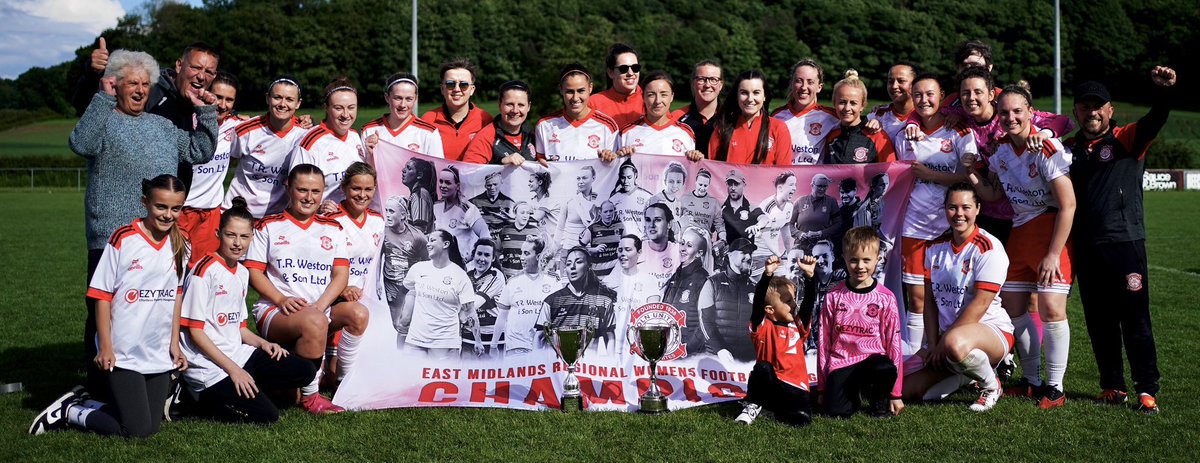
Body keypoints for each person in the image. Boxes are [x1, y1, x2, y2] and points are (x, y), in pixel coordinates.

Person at [70, 50, 217, 399]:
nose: (139, 90)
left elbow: (200, 150)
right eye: (131, 83)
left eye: (145, 84)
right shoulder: (103, 120)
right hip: (110, 235)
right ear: (117, 85)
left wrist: (206, 110)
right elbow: (80, 143)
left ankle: (141, 381)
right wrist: (102, 98)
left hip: (156, 236)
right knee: (103, 312)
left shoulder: (163, 126)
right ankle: (99, 388)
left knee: (150, 310)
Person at [32, 175, 190, 437]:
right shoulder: (123, 238)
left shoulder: (183, 244)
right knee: (137, 430)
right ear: (145, 202)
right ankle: (70, 411)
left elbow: (176, 295)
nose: (168, 214)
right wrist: (105, 346)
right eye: (160, 206)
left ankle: (87, 402)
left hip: (157, 352)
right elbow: (101, 295)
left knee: (150, 427)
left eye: (176, 208)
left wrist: (174, 344)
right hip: (123, 350)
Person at [1066, 67, 1175, 414]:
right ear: (1076, 112)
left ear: (1110, 110)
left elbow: (1156, 119)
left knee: (1135, 319)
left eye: (1098, 106)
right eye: (1085, 106)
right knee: (1099, 321)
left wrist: (1163, 93)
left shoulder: (1126, 140)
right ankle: (1112, 385)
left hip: (1125, 244)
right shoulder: (1068, 150)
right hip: (1086, 247)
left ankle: (1147, 388)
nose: (1092, 112)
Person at [966, 85, 1076, 409]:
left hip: (1050, 229)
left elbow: (1068, 204)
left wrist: (1054, 253)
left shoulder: (1046, 148)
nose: (1010, 117)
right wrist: (971, 172)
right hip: (1019, 231)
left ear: (1030, 112)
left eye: (1017, 111)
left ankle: (1055, 389)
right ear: (997, 116)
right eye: (1004, 112)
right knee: (1013, 308)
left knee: (1052, 310)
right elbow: (993, 196)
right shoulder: (1000, 153)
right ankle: (1032, 381)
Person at [177, 198, 317, 424]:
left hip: (238, 355)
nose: (237, 243)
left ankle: (248, 388)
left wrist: (263, 344)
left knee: (304, 371)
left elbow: (239, 327)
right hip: (209, 367)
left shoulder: (242, 272)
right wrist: (234, 370)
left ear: (252, 237)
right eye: (231, 235)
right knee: (267, 416)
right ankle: (193, 396)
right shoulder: (204, 271)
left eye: (244, 237)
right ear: (218, 234)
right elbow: (196, 332)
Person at [245, 164, 350, 414]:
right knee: (314, 323)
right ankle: (311, 396)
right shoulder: (268, 226)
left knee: (357, 314)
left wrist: (320, 306)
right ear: (288, 188)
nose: (309, 197)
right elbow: (253, 272)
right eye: (302, 190)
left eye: (316, 191)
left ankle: (344, 382)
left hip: (317, 310)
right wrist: (280, 298)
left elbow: (341, 275)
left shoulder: (333, 228)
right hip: (275, 311)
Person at [902, 184, 1013, 413]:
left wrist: (943, 343)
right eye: (952, 207)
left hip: (990, 331)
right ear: (945, 209)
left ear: (978, 209)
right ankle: (964, 375)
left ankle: (991, 386)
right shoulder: (934, 246)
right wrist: (932, 345)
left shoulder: (988, 248)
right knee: (907, 391)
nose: (959, 214)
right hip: (948, 338)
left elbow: (980, 304)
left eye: (966, 207)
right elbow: (930, 302)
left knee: (955, 344)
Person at [894, 73, 976, 359]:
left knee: (951, 295)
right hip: (913, 225)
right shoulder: (905, 133)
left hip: (949, 226)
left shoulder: (959, 132)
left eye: (930, 94)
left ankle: (953, 355)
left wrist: (932, 175)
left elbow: (969, 177)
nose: (924, 100)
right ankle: (916, 359)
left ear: (942, 96)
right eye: (918, 95)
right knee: (916, 299)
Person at [72, 41, 221, 189]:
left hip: (170, 205)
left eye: (209, 72)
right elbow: (87, 112)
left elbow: (198, 151)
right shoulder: (148, 87)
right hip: (131, 202)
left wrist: (208, 112)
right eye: (195, 67)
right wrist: (92, 74)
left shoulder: (198, 105)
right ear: (179, 65)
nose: (202, 76)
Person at [816, 227, 904, 418]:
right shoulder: (833, 296)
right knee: (835, 413)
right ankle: (851, 395)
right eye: (854, 260)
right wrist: (822, 389)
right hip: (842, 362)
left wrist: (895, 394)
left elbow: (894, 345)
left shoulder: (886, 298)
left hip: (872, 362)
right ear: (844, 258)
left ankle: (878, 402)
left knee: (885, 367)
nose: (860, 266)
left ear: (877, 259)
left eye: (866, 260)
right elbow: (823, 342)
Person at [735, 255, 816, 427]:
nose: (793, 305)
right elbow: (757, 306)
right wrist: (767, 276)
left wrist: (810, 278)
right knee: (762, 368)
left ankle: (771, 411)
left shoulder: (798, 325)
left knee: (802, 421)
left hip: (796, 388)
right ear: (770, 310)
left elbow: (808, 305)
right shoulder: (763, 328)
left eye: (793, 299)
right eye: (787, 301)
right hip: (773, 384)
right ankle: (753, 404)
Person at [179, 71, 244, 267]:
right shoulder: (186, 121)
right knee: (173, 272)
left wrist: (302, 120)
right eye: (218, 97)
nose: (223, 105)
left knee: (203, 271)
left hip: (211, 214)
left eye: (229, 100)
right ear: (206, 93)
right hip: (180, 211)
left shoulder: (237, 126)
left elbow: (268, 126)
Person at [324, 163, 381, 384]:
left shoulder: (379, 221)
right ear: (344, 188)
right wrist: (343, 287)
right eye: (356, 188)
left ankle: (349, 378)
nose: (362, 195)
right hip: (338, 298)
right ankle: (343, 376)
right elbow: (317, 267)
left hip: (370, 299)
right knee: (325, 378)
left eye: (368, 189)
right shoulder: (330, 220)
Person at [223, 75, 310, 218]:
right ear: (267, 98)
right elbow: (228, 162)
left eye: (289, 99)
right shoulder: (246, 131)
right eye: (277, 97)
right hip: (239, 213)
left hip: (279, 216)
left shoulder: (305, 134)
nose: (282, 104)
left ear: (298, 103)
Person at [400, 230, 484, 359]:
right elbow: (406, 291)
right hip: (415, 342)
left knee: (441, 380)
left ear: (445, 244)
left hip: (445, 345)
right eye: (428, 241)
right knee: (409, 378)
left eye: (432, 240)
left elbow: (470, 311)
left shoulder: (459, 275)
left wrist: (478, 341)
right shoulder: (418, 269)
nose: (428, 244)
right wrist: (403, 317)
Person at [289, 78, 367, 208]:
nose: (346, 114)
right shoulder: (310, 142)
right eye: (338, 108)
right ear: (326, 108)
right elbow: (295, 192)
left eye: (351, 108)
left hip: (350, 220)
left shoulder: (354, 136)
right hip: (321, 222)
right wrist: (319, 208)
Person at [536, 63, 620, 162]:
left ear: (590, 88)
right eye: (569, 92)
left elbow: (614, 169)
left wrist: (610, 158)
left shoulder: (608, 126)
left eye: (581, 91)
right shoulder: (544, 125)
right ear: (561, 90)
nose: (575, 98)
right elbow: (538, 167)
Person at [493, 237, 561, 358]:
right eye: (521, 253)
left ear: (538, 256)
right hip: (516, 347)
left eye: (526, 253)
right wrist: (494, 345)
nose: (521, 257)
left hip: (543, 348)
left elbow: (559, 317)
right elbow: (502, 316)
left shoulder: (553, 282)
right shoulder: (512, 282)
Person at [542, 247, 618, 354]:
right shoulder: (551, 301)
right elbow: (539, 337)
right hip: (560, 368)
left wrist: (612, 363)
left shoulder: (604, 301)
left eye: (578, 262)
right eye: (568, 264)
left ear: (588, 266)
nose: (572, 267)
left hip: (589, 368)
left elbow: (610, 337)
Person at [710, 70, 792, 165]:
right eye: (744, 93)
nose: (750, 99)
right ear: (737, 96)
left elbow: (784, 172)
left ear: (764, 96)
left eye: (756, 92)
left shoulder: (779, 128)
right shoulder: (722, 127)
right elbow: (712, 169)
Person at [617, 72, 702, 160]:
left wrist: (696, 158)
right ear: (643, 97)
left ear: (672, 96)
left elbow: (690, 169)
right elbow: (613, 168)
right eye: (651, 95)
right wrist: (617, 156)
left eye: (664, 94)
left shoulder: (686, 132)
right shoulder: (627, 133)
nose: (658, 101)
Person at [421, 59, 494, 161]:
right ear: (442, 89)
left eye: (463, 84)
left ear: (472, 90)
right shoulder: (427, 120)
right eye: (450, 84)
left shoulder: (485, 120)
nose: (456, 89)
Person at [602, 234, 663, 352]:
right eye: (620, 250)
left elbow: (652, 318)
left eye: (628, 249)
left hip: (638, 346)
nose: (622, 254)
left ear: (639, 252)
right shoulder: (607, 283)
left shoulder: (650, 281)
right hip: (611, 347)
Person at [772, 59, 839, 165]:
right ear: (792, 84)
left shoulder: (831, 117)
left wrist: (873, 121)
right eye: (799, 81)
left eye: (810, 82)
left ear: (819, 87)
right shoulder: (776, 116)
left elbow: (855, 123)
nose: (804, 87)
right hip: (784, 179)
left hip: (812, 180)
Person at [362, 73, 444, 159]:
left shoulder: (429, 133)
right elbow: (359, 170)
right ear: (387, 98)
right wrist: (370, 155)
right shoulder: (369, 130)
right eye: (398, 98)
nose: (403, 105)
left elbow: (437, 169)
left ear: (416, 99)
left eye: (409, 99)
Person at [822, 70, 896, 165]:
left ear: (862, 105)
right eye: (842, 102)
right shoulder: (831, 137)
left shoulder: (877, 136)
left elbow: (891, 172)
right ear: (834, 103)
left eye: (853, 103)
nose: (847, 108)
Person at [701, 238, 757, 362]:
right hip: (717, 359)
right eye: (743, 252)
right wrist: (719, 349)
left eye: (750, 253)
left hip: (747, 360)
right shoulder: (712, 283)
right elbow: (705, 321)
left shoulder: (755, 287)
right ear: (730, 255)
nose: (748, 256)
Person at [381, 196, 429, 340]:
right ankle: (399, 356)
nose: (388, 214)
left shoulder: (417, 237)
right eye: (386, 210)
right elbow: (377, 257)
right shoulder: (382, 231)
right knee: (395, 325)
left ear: (403, 215)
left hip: (409, 288)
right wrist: (377, 282)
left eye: (392, 211)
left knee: (406, 323)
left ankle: (410, 356)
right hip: (390, 284)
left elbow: (428, 262)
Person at [662, 227, 715, 356]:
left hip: (688, 355)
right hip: (669, 349)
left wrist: (686, 349)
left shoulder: (702, 280)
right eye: (682, 243)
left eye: (689, 245)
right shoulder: (675, 276)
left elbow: (706, 324)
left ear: (699, 253)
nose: (683, 248)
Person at [463, 80, 537, 165]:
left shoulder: (534, 135)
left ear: (529, 107)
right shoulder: (486, 137)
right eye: (509, 104)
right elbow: (469, 172)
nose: (515, 110)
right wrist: (500, 162)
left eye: (521, 105)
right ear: (499, 105)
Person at [746, 172, 797, 273]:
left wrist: (790, 254)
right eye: (791, 185)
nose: (794, 188)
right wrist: (780, 256)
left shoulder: (789, 206)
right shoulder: (767, 207)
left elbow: (786, 235)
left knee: (788, 278)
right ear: (780, 188)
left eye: (795, 185)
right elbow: (766, 237)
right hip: (759, 255)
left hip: (773, 255)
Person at [434, 166, 489, 258]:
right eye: (441, 181)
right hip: (440, 261)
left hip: (461, 263)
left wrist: (473, 256)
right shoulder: (436, 206)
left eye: (448, 183)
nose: (443, 186)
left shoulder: (467, 208)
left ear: (458, 186)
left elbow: (485, 235)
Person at [464, 239, 507, 357]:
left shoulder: (496, 276)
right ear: (474, 255)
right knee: (467, 374)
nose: (482, 259)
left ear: (493, 258)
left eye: (487, 255)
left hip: (491, 336)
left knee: (491, 374)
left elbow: (473, 305)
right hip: (469, 334)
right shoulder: (467, 274)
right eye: (479, 254)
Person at [673, 60, 723, 155]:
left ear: (720, 85)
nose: (707, 85)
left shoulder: (731, 118)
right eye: (701, 79)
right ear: (693, 83)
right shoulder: (676, 118)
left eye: (713, 80)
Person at [588, 43, 644, 129]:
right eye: (623, 69)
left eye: (635, 68)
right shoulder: (593, 103)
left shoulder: (651, 100)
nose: (631, 73)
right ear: (610, 72)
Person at [866, 62, 918, 141]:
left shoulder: (925, 117)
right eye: (890, 81)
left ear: (915, 84)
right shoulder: (877, 115)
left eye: (901, 81)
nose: (894, 86)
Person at [791, 174, 841, 254]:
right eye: (819, 186)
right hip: (802, 247)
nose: (822, 189)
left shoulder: (831, 202)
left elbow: (838, 224)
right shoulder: (799, 202)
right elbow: (789, 225)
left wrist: (821, 233)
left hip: (822, 248)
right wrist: (799, 234)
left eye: (825, 186)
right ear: (812, 185)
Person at [640, 203, 681, 290]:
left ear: (669, 224)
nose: (651, 225)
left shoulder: (679, 252)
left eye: (657, 220)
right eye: (648, 220)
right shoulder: (635, 250)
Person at [559, 166, 603, 249]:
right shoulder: (570, 200)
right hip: (570, 249)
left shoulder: (600, 201)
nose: (580, 182)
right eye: (578, 179)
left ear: (593, 178)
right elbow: (560, 228)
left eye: (584, 178)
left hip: (592, 250)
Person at [609, 159, 654, 238]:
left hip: (641, 243)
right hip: (621, 243)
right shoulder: (613, 199)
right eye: (623, 178)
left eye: (629, 177)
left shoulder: (648, 197)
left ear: (635, 175)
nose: (626, 181)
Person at [497, 202, 543, 278]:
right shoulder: (505, 230)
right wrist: (500, 269)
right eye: (522, 213)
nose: (525, 216)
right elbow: (497, 251)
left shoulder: (535, 231)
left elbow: (541, 253)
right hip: (507, 276)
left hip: (526, 277)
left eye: (528, 213)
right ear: (515, 213)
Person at [719, 169, 763, 245]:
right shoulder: (720, 208)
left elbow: (764, 218)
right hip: (725, 254)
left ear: (744, 184)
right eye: (730, 184)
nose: (733, 188)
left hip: (745, 254)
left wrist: (757, 226)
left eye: (736, 184)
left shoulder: (750, 207)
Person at [581, 200, 624, 277]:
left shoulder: (620, 226)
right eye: (605, 211)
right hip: (597, 275)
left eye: (611, 211)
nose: (609, 214)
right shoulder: (592, 228)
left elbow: (626, 244)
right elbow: (579, 249)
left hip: (615, 274)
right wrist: (594, 250)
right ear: (600, 213)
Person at [679, 169, 722, 242]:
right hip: (686, 242)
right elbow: (675, 221)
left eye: (705, 186)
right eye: (700, 184)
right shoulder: (684, 199)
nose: (702, 188)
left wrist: (723, 240)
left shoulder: (714, 202)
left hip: (704, 243)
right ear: (696, 182)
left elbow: (720, 225)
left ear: (709, 185)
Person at [649, 162, 687, 238]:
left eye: (678, 182)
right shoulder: (656, 200)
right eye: (671, 181)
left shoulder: (678, 203)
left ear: (683, 183)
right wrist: (680, 224)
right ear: (665, 181)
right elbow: (655, 226)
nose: (675, 185)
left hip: (672, 245)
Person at [400, 158, 437, 233]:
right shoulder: (416, 194)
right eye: (405, 167)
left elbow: (419, 230)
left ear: (419, 175)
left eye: (409, 168)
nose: (403, 170)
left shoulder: (420, 195)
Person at [528, 170, 561, 240]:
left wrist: (512, 219)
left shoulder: (550, 199)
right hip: (544, 238)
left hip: (555, 238)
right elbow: (527, 215)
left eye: (531, 181)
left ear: (540, 182)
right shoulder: (533, 200)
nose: (528, 184)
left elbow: (535, 218)